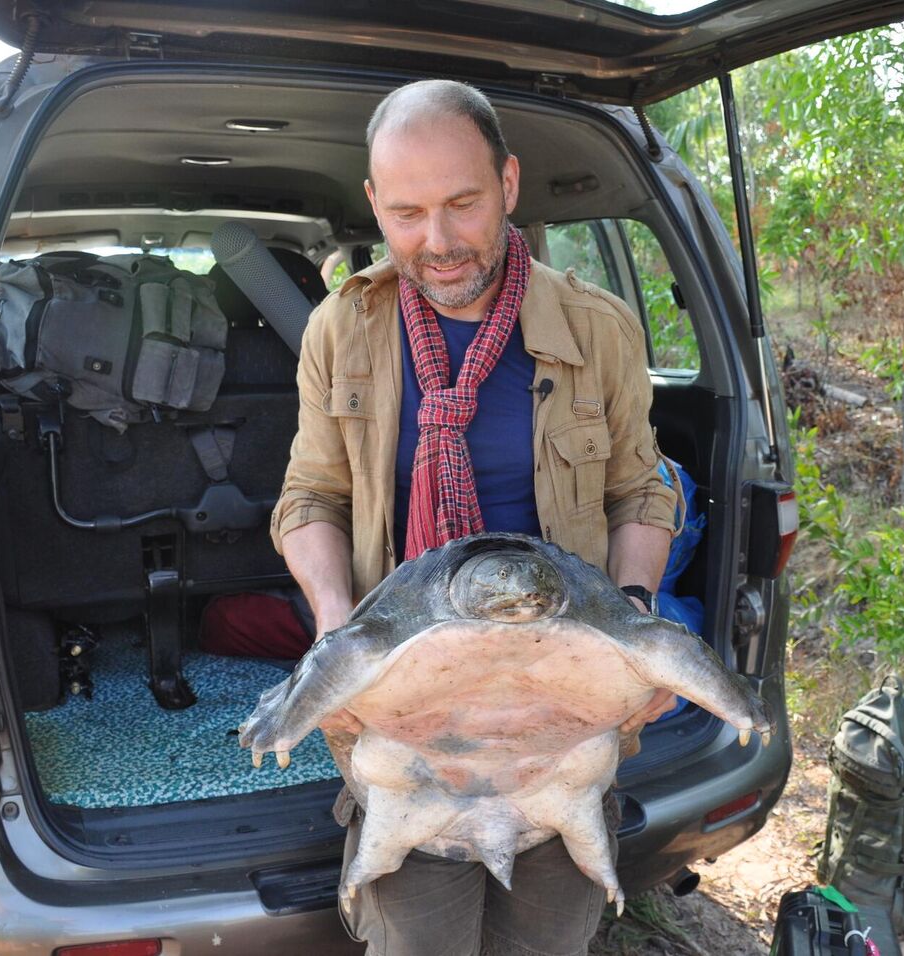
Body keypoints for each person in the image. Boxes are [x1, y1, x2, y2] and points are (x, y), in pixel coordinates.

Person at [269, 78, 680, 956]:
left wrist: (635, 620)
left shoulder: (599, 329)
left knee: (548, 943)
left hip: (562, 716)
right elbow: (310, 499)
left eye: (463, 204)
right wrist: (338, 637)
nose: (439, 241)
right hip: (410, 718)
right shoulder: (341, 330)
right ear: (375, 203)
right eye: (408, 213)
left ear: (509, 185)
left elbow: (641, 491)